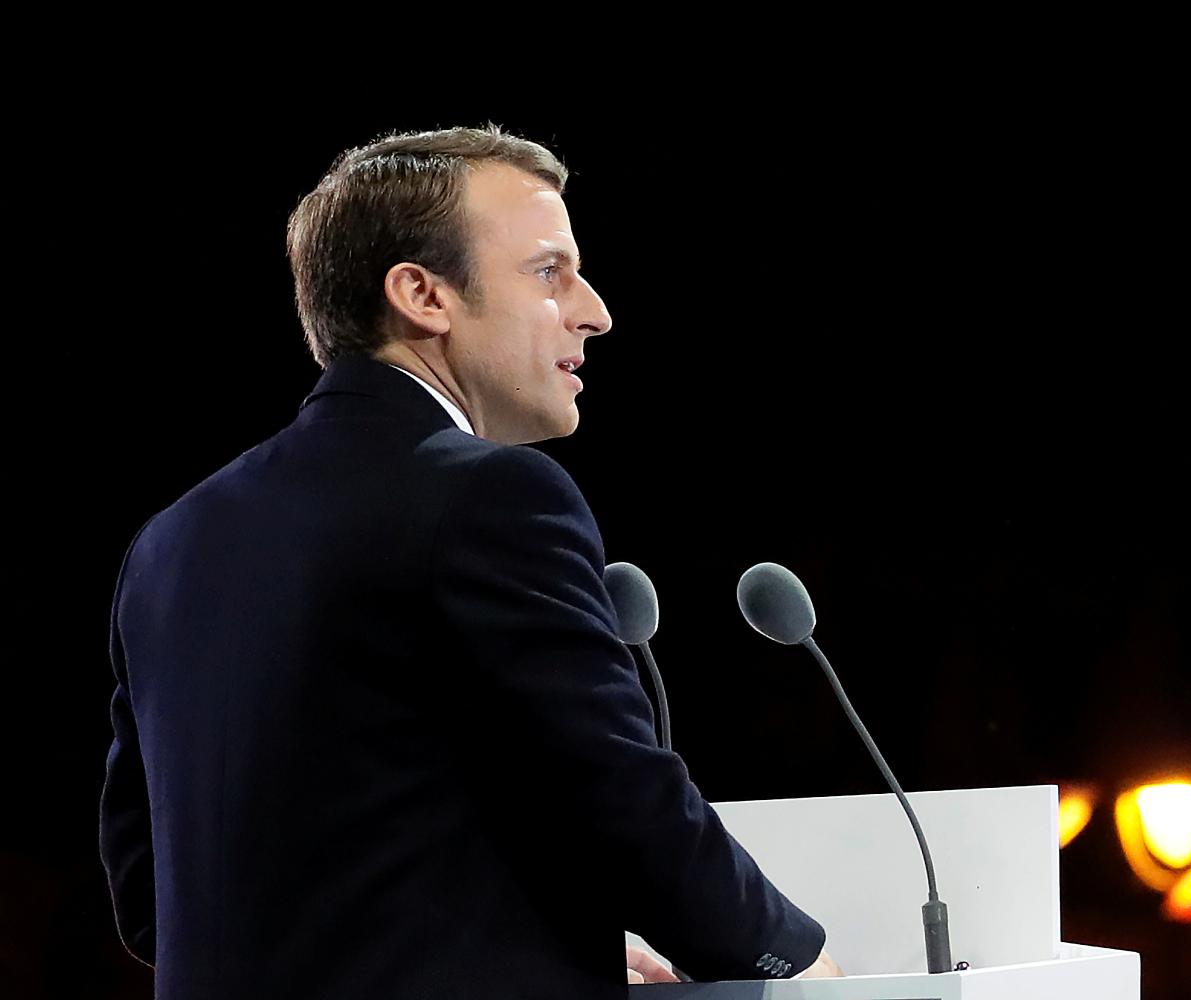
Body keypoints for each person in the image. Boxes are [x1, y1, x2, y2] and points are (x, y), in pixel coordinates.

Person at [99, 125, 840, 999]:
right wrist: (795, 961)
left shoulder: (172, 541)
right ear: (423, 295)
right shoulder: (493, 497)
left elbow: (156, 898)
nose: (593, 308)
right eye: (546, 271)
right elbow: (622, 802)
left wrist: (527, 949)